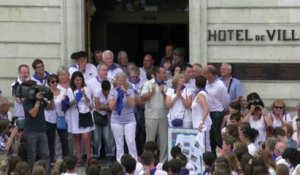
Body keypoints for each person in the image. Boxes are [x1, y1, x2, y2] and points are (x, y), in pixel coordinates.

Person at [22, 80, 53, 171]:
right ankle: (32, 172)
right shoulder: (27, 100)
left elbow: (50, 108)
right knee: (32, 155)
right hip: (31, 131)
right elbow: (33, 114)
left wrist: (51, 98)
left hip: (42, 130)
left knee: (46, 154)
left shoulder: (41, 98)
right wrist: (38, 101)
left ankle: (47, 172)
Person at [66, 71, 95, 165]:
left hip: (86, 114)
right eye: (76, 80)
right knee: (77, 137)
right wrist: (76, 98)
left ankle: (88, 157)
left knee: (86, 137)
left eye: (80, 79)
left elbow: (91, 105)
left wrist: (84, 95)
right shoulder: (70, 90)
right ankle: (78, 157)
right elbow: (69, 104)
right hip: (75, 115)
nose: (78, 81)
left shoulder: (87, 88)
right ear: (73, 81)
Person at [141, 67, 169, 163]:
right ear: (157, 73)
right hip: (151, 115)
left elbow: (170, 100)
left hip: (164, 115)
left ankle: (162, 162)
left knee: (164, 140)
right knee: (150, 140)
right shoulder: (148, 83)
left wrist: (163, 93)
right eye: (164, 72)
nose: (166, 74)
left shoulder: (167, 84)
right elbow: (142, 98)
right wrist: (151, 93)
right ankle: (148, 161)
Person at [108, 72, 137, 162]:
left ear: (125, 81)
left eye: (123, 80)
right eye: (119, 80)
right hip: (116, 121)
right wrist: (118, 96)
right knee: (119, 144)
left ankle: (134, 162)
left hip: (129, 120)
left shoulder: (130, 90)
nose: (121, 82)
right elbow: (111, 107)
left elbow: (132, 105)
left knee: (131, 141)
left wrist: (126, 94)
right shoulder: (112, 91)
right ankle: (120, 163)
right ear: (116, 81)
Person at [202, 65, 230, 155]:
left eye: (204, 73)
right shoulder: (206, 83)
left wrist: (223, 111)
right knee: (210, 137)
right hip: (208, 112)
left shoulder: (220, 85)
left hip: (217, 113)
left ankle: (225, 153)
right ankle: (212, 156)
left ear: (210, 74)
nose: (203, 75)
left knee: (217, 135)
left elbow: (226, 101)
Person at [44, 74, 69, 164]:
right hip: (50, 119)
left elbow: (66, 105)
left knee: (64, 139)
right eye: (53, 82)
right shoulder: (46, 93)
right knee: (51, 140)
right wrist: (51, 98)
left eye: (56, 81)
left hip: (61, 118)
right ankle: (51, 160)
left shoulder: (62, 91)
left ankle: (66, 159)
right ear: (49, 83)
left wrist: (65, 102)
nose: (55, 83)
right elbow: (48, 108)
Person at [92, 80, 115, 160]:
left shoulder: (112, 92)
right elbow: (97, 107)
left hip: (106, 116)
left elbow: (111, 107)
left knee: (107, 137)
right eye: (104, 91)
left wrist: (105, 107)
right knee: (96, 137)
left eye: (107, 91)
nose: (106, 92)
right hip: (97, 116)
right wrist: (106, 106)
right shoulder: (97, 92)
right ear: (102, 89)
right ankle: (95, 155)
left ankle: (109, 154)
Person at [127, 66, 146, 155]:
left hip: (141, 110)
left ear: (139, 75)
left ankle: (141, 153)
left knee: (141, 133)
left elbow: (143, 97)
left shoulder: (144, 83)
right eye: (132, 77)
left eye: (136, 77)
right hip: (130, 112)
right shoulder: (126, 84)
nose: (134, 78)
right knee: (131, 135)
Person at [191, 75, 212, 151]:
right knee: (201, 145)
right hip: (199, 123)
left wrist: (201, 123)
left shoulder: (201, 95)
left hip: (202, 124)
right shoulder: (202, 93)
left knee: (204, 145)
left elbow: (206, 109)